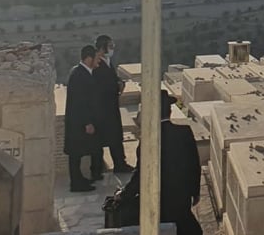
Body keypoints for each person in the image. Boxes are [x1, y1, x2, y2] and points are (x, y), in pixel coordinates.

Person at [118, 91, 202, 235]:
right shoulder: (184, 132)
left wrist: (124, 194)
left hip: (159, 198)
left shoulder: (148, 140)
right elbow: (194, 165)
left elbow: (141, 175)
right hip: (182, 195)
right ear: (169, 112)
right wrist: (195, 192)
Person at [92, 35, 133, 174]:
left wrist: (120, 82)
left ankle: (120, 164)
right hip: (102, 108)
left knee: (115, 137)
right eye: (110, 46)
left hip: (111, 106)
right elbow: (101, 86)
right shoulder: (97, 64)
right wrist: (116, 86)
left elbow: (113, 78)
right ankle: (98, 168)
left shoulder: (108, 61)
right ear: (102, 47)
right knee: (101, 139)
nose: (112, 49)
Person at [65, 45, 102, 192]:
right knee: (75, 154)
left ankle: (79, 179)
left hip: (79, 122)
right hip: (78, 123)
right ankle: (76, 183)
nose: (98, 61)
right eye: (96, 58)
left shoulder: (83, 73)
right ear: (88, 59)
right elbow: (79, 101)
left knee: (78, 153)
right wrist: (87, 122)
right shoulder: (79, 76)